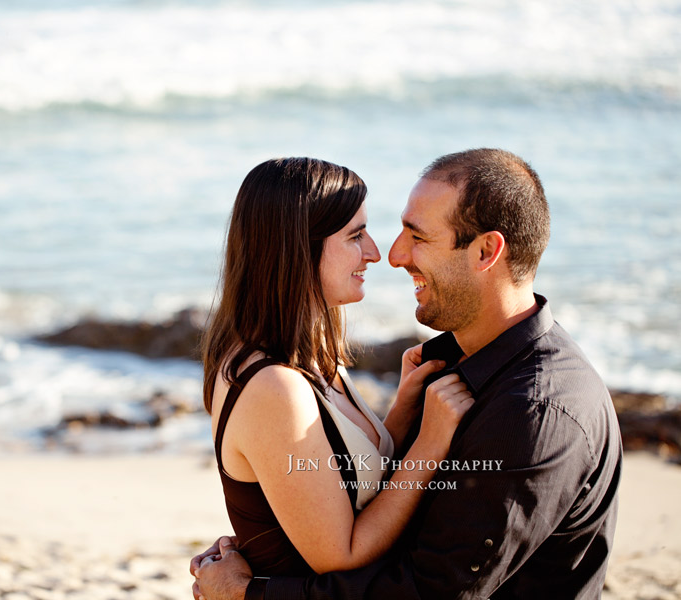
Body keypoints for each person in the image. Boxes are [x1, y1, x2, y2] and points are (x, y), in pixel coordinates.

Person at [192, 149, 623, 599]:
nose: (389, 255)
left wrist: (251, 593)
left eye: (416, 236)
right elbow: (345, 516)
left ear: (485, 252)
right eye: (357, 235)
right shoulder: (439, 367)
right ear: (298, 248)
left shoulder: (534, 412)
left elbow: (429, 588)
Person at [199, 157, 476, 580]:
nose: (375, 253)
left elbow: (345, 477)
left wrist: (401, 414)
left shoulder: (308, 352)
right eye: (356, 235)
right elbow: (340, 557)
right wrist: (430, 445)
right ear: (296, 247)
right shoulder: (274, 385)